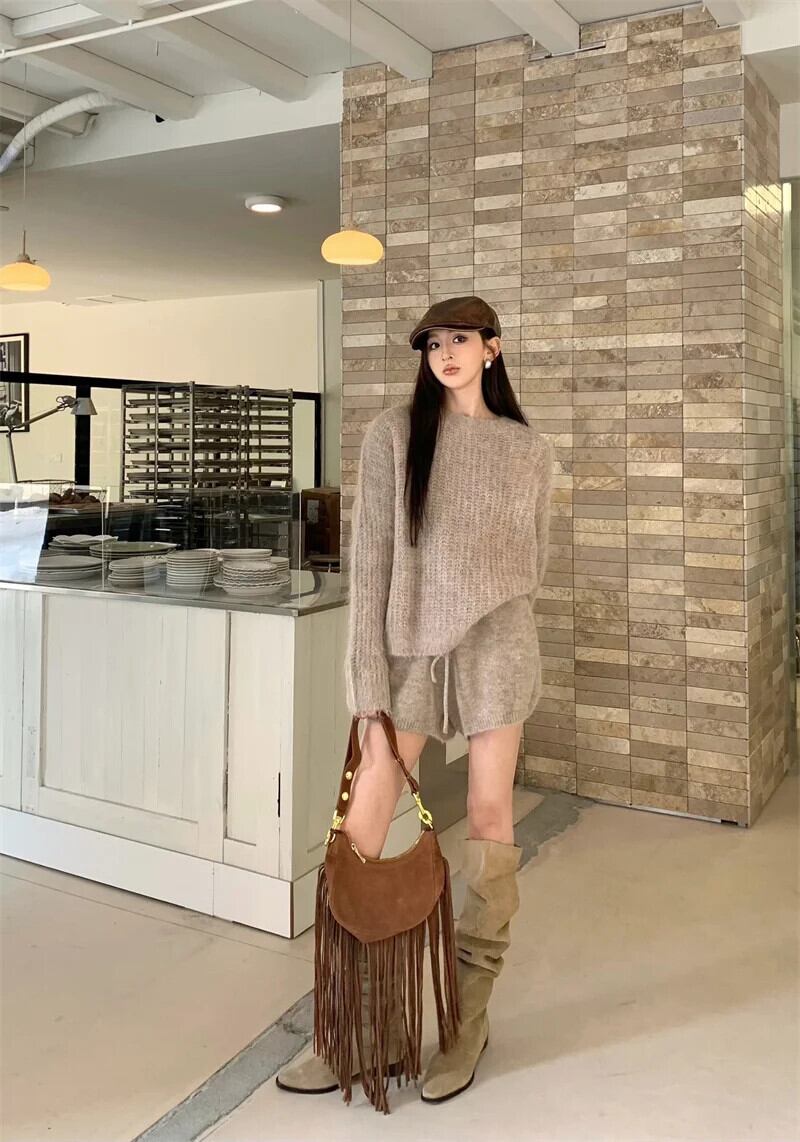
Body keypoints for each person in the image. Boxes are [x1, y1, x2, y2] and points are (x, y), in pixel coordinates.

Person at [277, 295, 555, 1104]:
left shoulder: (527, 450)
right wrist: (367, 688)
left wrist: (472, 594)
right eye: (434, 344)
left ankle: (466, 1021)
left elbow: (531, 561)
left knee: (491, 817)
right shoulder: (395, 436)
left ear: (492, 349)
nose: (446, 354)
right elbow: (369, 569)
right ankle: (358, 1027)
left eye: (460, 340)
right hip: (408, 655)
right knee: (363, 824)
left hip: (498, 648)